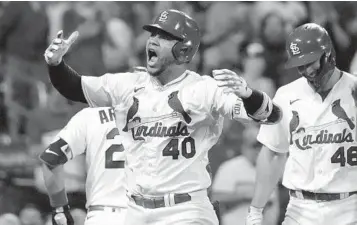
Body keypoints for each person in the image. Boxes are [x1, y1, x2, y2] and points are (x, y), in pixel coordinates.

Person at [44, 9, 281, 225]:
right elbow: (74, 87)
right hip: (135, 210)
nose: (153, 40)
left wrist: (249, 95)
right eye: (152, 34)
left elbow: (266, 115)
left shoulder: (205, 89)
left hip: (186, 211)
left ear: (184, 49)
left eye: (164, 36)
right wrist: (56, 64)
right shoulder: (127, 84)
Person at [246, 23, 357, 225]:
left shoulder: (353, 90)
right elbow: (271, 152)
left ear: (328, 54)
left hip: (350, 206)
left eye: (310, 62)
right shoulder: (286, 95)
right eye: (300, 65)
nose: (307, 70)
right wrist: (256, 209)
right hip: (301, 209)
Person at [39, 106, 127, 225]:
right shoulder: (156, 113)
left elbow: (50, 159)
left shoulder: (89, 116)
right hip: (147, 211)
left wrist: (60, 209)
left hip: (102, 214)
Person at [212, 124, 279, 225]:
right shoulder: (229, 167)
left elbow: (274, 204)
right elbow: (215, 198)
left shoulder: (269, 169)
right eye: (254, 146)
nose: (258, 150)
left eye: (262, 146)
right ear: (244, 146)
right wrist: (245, 195)